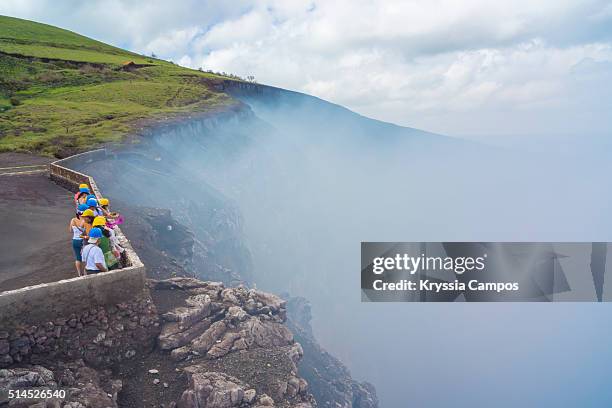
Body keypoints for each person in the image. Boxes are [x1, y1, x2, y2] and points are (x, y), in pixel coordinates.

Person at [69, 205, 88, 276]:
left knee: (78, 258)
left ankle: (79, 274)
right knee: (85, 258)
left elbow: (70, 230)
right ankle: (85, 273)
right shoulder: (84, 221)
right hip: (82, 241)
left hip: (74, 240)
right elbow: (86, 232)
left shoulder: (73, 220)